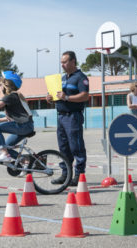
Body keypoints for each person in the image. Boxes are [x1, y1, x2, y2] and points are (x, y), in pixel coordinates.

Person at [46, 51, 89, 187]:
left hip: (73, 116)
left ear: (73, 61)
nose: (62, 65)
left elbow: (85, 96)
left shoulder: (80, 77)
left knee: (76, 146)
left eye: (65, 62)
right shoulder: (62, 79)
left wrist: (67, 97)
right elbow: (58, 97)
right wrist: (51, 99)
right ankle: (66, 174)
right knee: (63, 147)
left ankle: (79, 175)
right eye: (61, 62)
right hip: (61, 116)